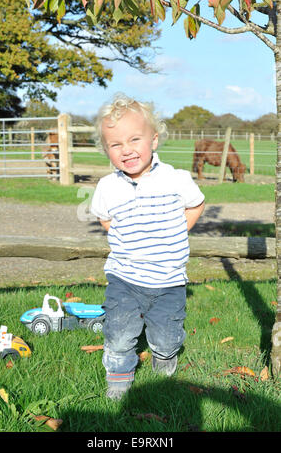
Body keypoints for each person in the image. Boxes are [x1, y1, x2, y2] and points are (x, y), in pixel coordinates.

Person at [90, 93, 205, 400]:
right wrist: (126, 238)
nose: (126, 150)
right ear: (107, 150)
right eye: (116, 145)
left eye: (134, 140)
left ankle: (165, 360)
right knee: (119, 332)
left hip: (169, 280)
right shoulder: (108, 187)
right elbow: (105, 218)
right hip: (124, 279)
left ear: (153, 140)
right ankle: (118, 380)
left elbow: (196, 204)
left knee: (166, 336)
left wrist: (178, 231)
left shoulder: (175, 180)